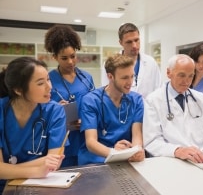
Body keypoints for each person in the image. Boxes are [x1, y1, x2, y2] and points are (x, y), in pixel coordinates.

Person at [143, 54, 203, 164]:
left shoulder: (200, 98)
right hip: (170, 160)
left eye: (190, 76)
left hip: (199, 159)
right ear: (169, 73)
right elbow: (152, 141)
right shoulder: (153, 100)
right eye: (181, 75)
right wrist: (177, 151)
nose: (186, 81)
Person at [0, 57, 66, 193]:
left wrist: (8, 169)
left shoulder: (55, 111)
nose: (50, 87)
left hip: (40, 186)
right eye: (41, 83)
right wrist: (36, 170)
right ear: (18, 90)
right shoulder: (1, 110)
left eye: (48, 79)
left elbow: (54, 162)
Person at [78, 54, 145, 165]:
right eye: (124, 78)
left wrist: (137, 150)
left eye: (132, 76)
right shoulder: (91, 100)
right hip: (97, 160)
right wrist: (114, 152)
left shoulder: (136, 100)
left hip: (125, 159)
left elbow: (137, 135)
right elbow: (91, 142)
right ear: (110, 76)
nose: (130, 82)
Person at [44, 24, 95, 167]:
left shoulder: (86, 78)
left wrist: (85, 120)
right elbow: (40, 111)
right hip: (60, 140)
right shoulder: (48, 79)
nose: (70, 62)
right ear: (55, 57)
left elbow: (96, 107)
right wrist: (55, 108)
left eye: (73, 56)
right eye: (64, 58)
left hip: (85, 137)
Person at [101, 23, 162, 98]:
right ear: (121, 43)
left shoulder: (151, 63)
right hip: (120, 109)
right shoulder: (110, 64)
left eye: (136, 40)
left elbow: (158, 90)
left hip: (147, 108)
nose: (134, 46)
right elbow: (107, 92)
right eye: (129, 42)